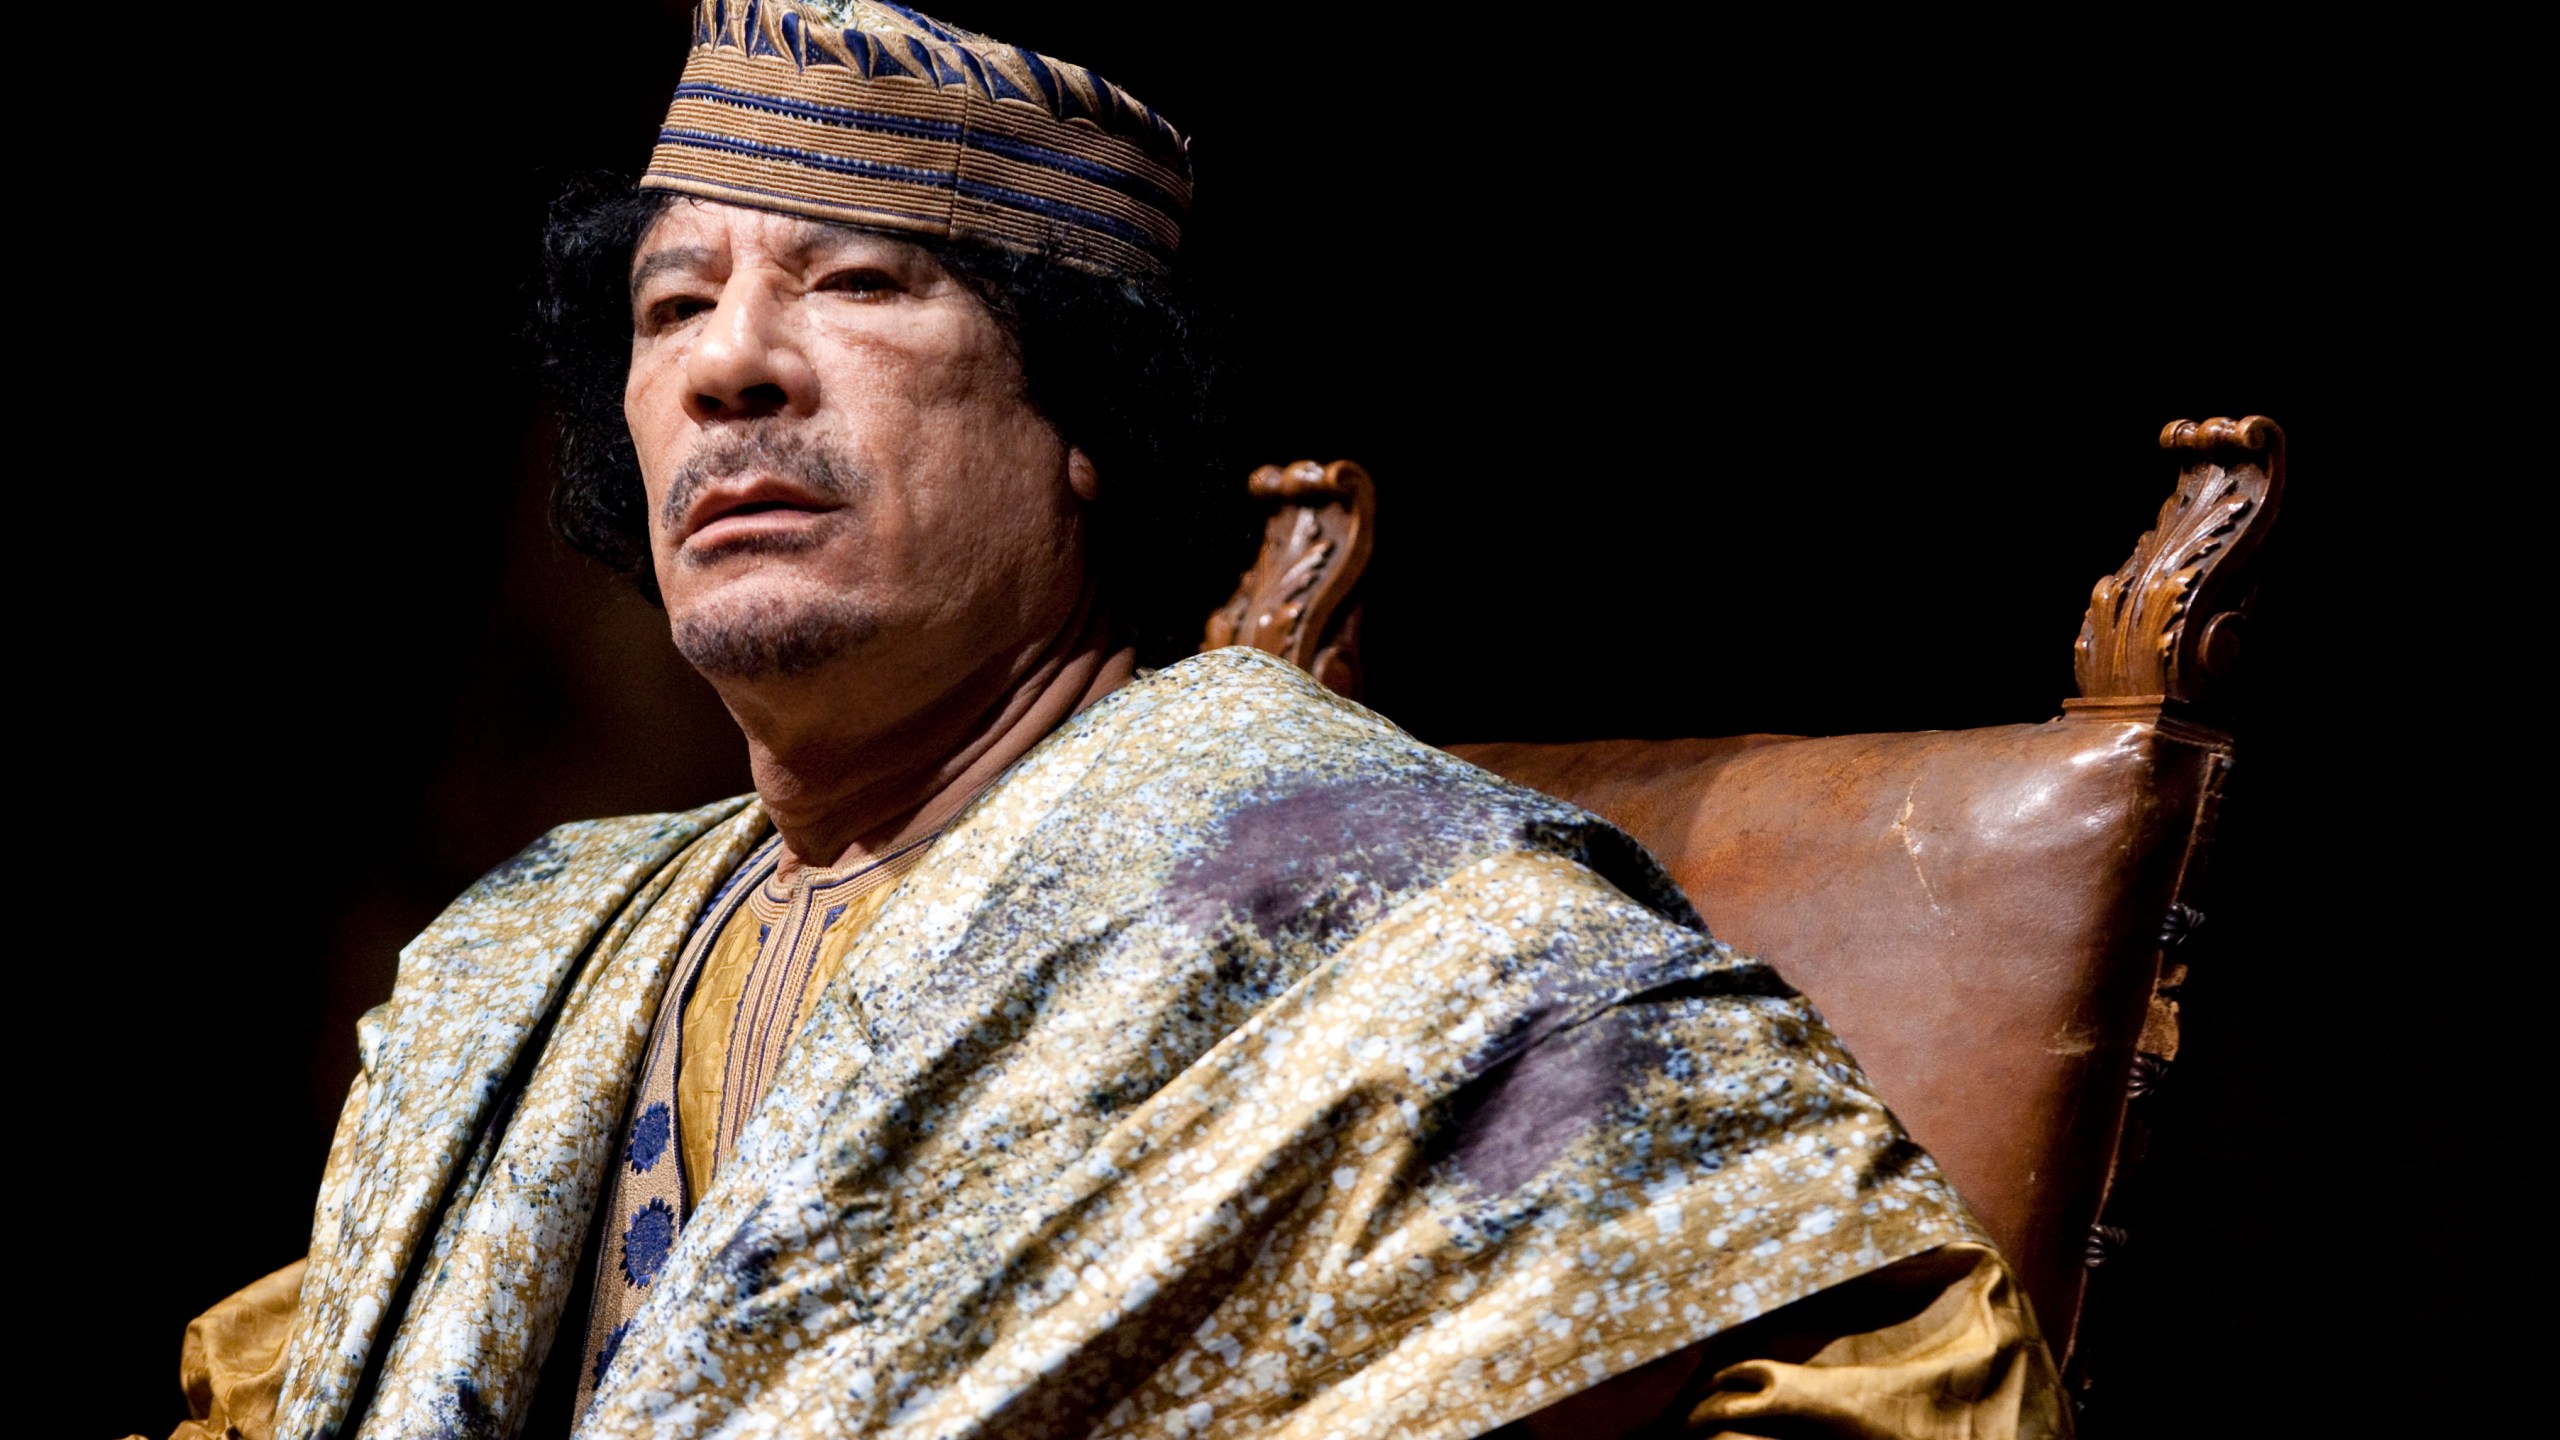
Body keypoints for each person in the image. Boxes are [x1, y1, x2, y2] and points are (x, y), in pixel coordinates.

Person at [163, 4, 2068, 1436]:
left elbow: (1882, 1375)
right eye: (673, 310)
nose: (733, 362)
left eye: (856, 282)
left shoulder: (1346, 895)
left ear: (1080, 416)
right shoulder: (538, 967)